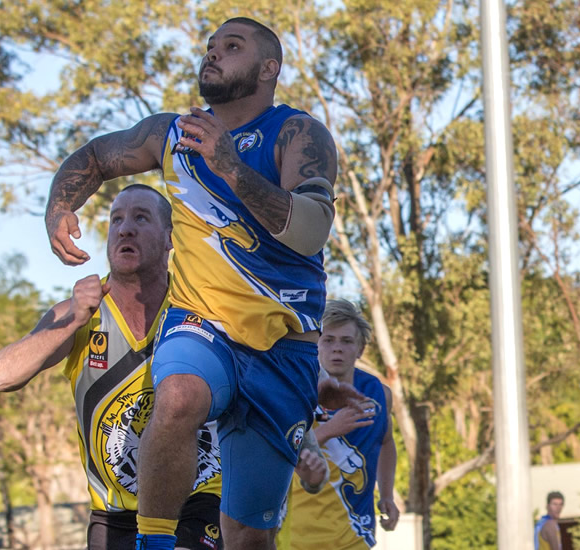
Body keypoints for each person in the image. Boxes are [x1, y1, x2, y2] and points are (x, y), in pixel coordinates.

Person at [43, 16, 358, 550]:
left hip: (283, 349)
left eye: (230, 47)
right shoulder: (171, 135)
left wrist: (231, 167)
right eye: (210, 46)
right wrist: (59, 204)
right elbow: (97, 156)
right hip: (200, 322)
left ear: (268, 68)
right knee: (180, 394)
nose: (212, 54)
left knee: (248, 537)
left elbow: (310, 231)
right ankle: (154, 543)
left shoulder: (298, 133)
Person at [0, 185, 223, 550]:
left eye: (141, 218)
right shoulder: (80, 312)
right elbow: (0, 376)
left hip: (197, 501)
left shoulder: (200, 307)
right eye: (117, 220)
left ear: (169, 238)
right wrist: (71, 321)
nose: (125, 228)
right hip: (114, 515)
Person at [278, 299, 399, 550]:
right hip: (300, 536)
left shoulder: (378, 394)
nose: (337, 349)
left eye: (346, 341)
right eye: (328, 340)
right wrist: (328, 431)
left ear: (361, 349)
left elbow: (386, 441)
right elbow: (276, 454)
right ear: (315, 345)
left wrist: (387, 494)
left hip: (355, 535)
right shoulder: (294, 392)